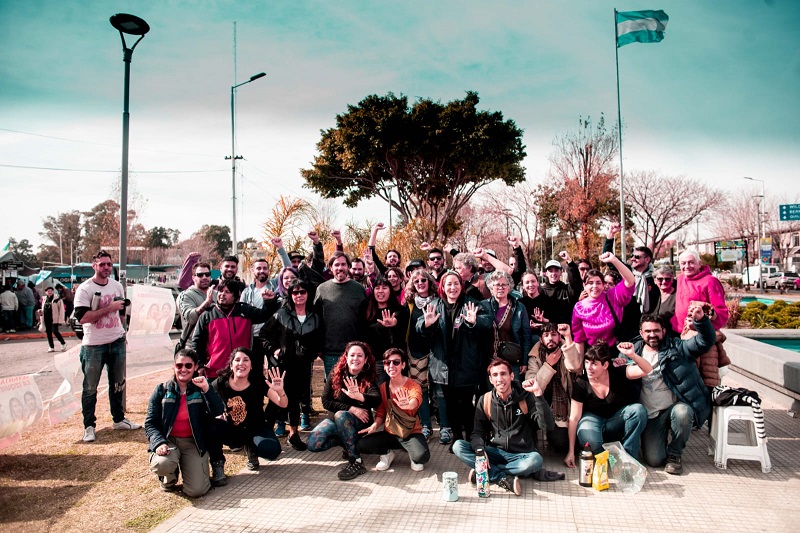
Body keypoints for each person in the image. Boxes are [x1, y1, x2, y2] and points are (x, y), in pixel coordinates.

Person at [452, 358, 561, 497]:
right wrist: (479, 449)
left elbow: (548, 426)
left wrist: (538, 394)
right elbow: (477, 433)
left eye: (503, 374)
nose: (499, 379)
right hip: (496, 453)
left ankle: (486, 472)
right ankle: (500, 477)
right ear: (490, 380)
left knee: (535, 461)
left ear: (511, 376)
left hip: (522, 454)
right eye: (495, 375)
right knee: (458, 446)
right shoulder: (485, 400)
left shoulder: (525, 397)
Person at [633, 307, 716, 474]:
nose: (652, 334)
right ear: (641, 333)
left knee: (683, 413)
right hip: (650, 414)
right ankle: (659, 442)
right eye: (648, 331)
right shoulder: (633, 351)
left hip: (673, 408)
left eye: (656, 330)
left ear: (664, 331)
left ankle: (675, 454)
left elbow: (705, 341)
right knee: (654, 460)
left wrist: (701, 321)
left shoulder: (678, 347)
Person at [73, 250, 140, 443]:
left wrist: (122, 330)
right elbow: (83, 317)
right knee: (90, 387)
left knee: (118, 384)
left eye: (109, 264)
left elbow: (121, 310)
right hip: (94, 345)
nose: (106, 268)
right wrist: (109, 308)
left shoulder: (117, 286)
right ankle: (89, 426)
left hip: (116, 341)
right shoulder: (84, 289)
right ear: (94, 265)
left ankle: (118, 419)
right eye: (102, 264)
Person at [417, 271, 491, 445]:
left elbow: (487, 322)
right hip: (443, 367)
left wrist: (475, 322)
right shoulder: (434, 305)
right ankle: (457, 439)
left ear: (461, 285)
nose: (453, 287)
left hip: (466, 366)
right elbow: (419, 326)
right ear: (442, 287)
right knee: (449, 406)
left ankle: (472, 438)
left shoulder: (471, 304)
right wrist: (426, 325)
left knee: (466, 405)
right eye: (448, 284)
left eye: (456, 283)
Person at [144, 348, 225, 496]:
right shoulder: (161, 389)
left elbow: (218, 411)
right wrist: (159, 443)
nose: (183, 369)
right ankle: (169, 476)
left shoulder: (202, 388)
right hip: (169, 441)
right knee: (162, 464)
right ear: (174, 366)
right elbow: (150, 423)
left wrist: (207, 389)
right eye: (179, 365)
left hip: (193, 442)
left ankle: (189, 466)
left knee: (197, 490)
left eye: (188, 366)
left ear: (195, 367)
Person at [565, 341, 652, 467]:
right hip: (592, 420)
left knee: (638, 410)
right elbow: (574, 418)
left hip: (615, 420)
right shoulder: (581, 382)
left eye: (594, 364)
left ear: (605, 365)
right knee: (590, 437)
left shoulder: (617, 372)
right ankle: (609, 458)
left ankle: (628, 458)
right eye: (587, 362)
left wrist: (632, 355)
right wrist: (571, 451)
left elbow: (647, 369)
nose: (589, 367)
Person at [208, 349, 287, 485]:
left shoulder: (258, 381)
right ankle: (217, 464)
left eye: (246, 360)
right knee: (212, 426)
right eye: (237, 360)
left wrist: (280, 391)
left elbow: (283, 404)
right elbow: (207, 404)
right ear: (231, 365)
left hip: (256, 427)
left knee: (271, 451)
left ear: (251, 366)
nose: (241, 363)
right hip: (233, 429)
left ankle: (252, 449)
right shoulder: (221, 382)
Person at [260, 279, 323, 448]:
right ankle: (265, 434)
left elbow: (319, 339)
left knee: (295, 400)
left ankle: (294, 434)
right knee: (275, 399)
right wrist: (274, 349)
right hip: (281, 366)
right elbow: (263, 334)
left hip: (302, 365)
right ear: (290, 295)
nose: (299, 295)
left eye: (302, 292)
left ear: (308, 294)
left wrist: (313, 353)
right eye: (295, 292)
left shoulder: (315, 317)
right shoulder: (281, 314)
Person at [306, 341, 381, 481]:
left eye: (360, 355)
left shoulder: (368, 376)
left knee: (341, 415)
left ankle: (356, 460)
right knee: (313, 443)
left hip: (360, 422)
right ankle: (348, 443)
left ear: (365, 360)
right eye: (352, 355)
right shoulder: (336, 374)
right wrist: (351, 408)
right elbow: (325, 401)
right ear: (346, 357)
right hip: (336, 420)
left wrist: (360, 397)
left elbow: (377, 399)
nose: (355, 358)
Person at [357, 348, 431, 473]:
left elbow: (415, 400)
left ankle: (412, 451)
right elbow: (381, 411)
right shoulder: (383, 387)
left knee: (421, 457)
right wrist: (375, 425)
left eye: (396, 362)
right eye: (387, 362)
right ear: (384, 366)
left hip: (411, 432)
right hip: (390, 432)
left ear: (403, 365)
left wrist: (407, 405)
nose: (391, 366)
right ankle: (387, 453)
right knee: (361, 445)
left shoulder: (413, 385)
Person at [190, 279, 279, 379]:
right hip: (215, 372)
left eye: (227, 292)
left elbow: (264, 315)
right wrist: (200, 364)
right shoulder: (207, 315)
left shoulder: (245, 311)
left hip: (242, 371)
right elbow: (197, 342)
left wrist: (269, 302)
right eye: (220, 291)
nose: (222, 294)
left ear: (236, 296)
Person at [524, 323, 581, 453]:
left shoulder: (566, 349)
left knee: (570, 444)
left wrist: (568, 337)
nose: (550, 338)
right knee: (559, 442)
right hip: (543, 405)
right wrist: (549, 365)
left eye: (554, 335)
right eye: (546, 335)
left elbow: (576, 366)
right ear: (540, 339)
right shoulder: (535, 356)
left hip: (566, 405)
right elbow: (534, 385)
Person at [404, 268, 445, 441]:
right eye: (416, 281)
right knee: (420, 391)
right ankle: (426, 426)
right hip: (415, 352)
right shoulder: (409, 304)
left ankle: (445, 427)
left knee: (440, 390)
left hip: (436, 352)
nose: (420, 283)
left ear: (429, 282)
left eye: (423, 280)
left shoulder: (439, 302)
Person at [314, 251, 368, 378]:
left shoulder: (359, 289)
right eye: (336, 265)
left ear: (348, 267)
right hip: (330, 351)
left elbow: (364, 320)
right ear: (330, 268)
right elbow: (317, 320)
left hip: (355, 351)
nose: (340, 268)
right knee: (333, 391)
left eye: (343, 264)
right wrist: (319, 347)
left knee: (354, 389)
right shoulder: (322, 289)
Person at [571, 252, 636, 355]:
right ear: (584, 285)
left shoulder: (613, 296)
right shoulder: (579, 307)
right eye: (590, 283)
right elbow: (579, 339)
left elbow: (630, 281)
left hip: (614, 352)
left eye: (598, 283)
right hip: (592, 355)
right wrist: (579, 367)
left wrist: (614, 260)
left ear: (603, 285)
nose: (594, 286)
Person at [481, 271, 533, 377]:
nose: (501, 287)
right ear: (491, 288)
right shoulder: (483, 306)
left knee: (512, 391)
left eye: (504, 284)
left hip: (512, 361)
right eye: (497, 285)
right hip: (488, 361)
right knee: (490, 392)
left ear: (509, 287)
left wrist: (524, 361)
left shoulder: (519, 307)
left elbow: (526, 336)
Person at [603, 223, 660, 315]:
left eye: (637, 257)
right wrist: (611, 234)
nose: (632, 258)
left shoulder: (656, 278)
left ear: (647, 259)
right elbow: (607, 256)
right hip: (624, 318)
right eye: (632, 256)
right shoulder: (625, 271)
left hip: (645, 321)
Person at [364, 276, 409, 383]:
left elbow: (399, 317)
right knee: (381, 395)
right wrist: (380, 326)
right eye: (377, 288)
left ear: (390, 290)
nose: (380, 291)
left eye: (384, 288)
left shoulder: (399, 310)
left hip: (397, 361)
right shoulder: (367, 311)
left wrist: (393, 323)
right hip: (377, 361)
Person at [671, 250, 728, 332]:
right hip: (676, 331)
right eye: (683, 263)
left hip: (698, 333)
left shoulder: (710, 281)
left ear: (699, 263)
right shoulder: (680, 279)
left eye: (691, 262)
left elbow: (721, 312)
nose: (687, 266)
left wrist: (701, 326)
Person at [176, 262, 214, 348]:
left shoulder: (217, 294)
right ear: (193, 278)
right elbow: (190, 318)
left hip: (214, 346)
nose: (204, 277)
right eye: (200, 275)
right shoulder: (186, 295)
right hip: (193, 346)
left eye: (207, 274)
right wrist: (207, 302)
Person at [539, 251, 583, 326]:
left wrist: (569, 261)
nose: (553, 273)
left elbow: (576, 282)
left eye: (556, 270)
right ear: (546, 273)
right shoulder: (541, 291)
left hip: (566, 329)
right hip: (547, 331)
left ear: (561, 272)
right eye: (550, 271)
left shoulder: (567, 290)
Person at [40, 286, 66, 352]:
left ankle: (63, 343)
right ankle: (51, 347)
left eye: (51, 291)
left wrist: (61, 319)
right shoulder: (44, 299)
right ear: (46, 292)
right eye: (48, 291)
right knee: (48, 333)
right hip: (46, 318)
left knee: (55, 331)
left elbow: (61, 309)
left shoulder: (57, 299)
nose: (50, 292)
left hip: (54, 318)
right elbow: (43, 308)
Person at [653, 265, 677, 330]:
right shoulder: (652, 296)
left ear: (672, 280)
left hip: (672, 334)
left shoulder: (677, 296)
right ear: (655, 280)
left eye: (667, 279)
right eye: (660, 279)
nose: (664, 282)